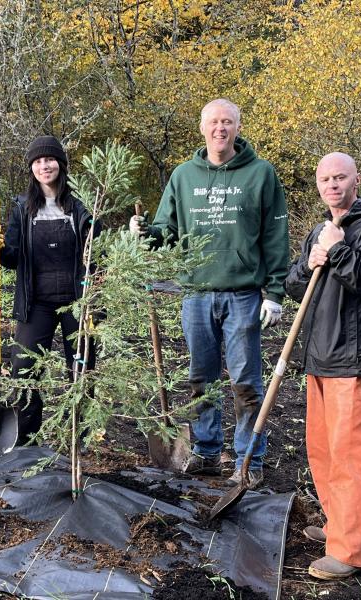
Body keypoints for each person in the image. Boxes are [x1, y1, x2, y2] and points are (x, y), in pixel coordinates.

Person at [129, 98, 289, 488]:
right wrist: (144, 233)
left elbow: (274, 237)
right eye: (214, 122)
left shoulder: (261, 174)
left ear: (237, 127)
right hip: (196, 293)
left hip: (243, 295)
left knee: (246, 381)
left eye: (228, 122)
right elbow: (166, 230)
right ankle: (205, 452)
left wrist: (275, 292)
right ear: (202, 128)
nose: (221, 128)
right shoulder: (184, 176)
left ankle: (249, 457)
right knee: (201, 377)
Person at [284, 152, 361, 580]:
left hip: (360, 360)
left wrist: (338, 253)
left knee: (354, 458)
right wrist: (310, 262)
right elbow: (296, 286)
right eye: (324, 179)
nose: (332, 185)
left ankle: (350, 551)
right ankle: (339, 529)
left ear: (356, 180)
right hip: (322, 356)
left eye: (340, 177)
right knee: (326, 453)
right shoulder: (322, 229)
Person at [0, 135, 100, 445]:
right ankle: (26, 436)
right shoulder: (23, 208)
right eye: (37, 161)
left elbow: (97, 254)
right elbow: (11, 258)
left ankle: (77, 435)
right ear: (31, 169)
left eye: (49, 160)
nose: (43, 165)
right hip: (36, 303)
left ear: (61, 165)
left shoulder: (80, 206)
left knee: (81, 369)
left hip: (78, 302)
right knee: (24, 368)